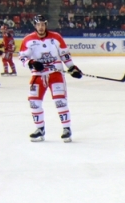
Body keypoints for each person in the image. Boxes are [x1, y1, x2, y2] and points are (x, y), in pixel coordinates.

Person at [18, 14, 82, 142]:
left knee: (60, 101)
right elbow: (22, 57)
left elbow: (65, 55)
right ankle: (40, 129)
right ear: (35, 25)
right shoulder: (28, 40)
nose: (41, 27)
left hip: (55, 74)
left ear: (46, 25)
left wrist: (72, 68)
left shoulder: (56, 37)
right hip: (38, 75)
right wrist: (31, 63)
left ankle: (66, 128)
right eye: (38, 25)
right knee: (34, 102)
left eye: (43, 24)